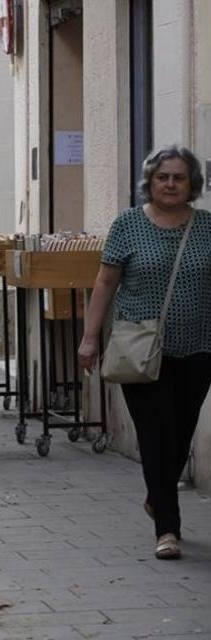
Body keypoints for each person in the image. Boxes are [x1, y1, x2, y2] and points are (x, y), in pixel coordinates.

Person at [78, 145, 211, 561]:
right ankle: (167, 529)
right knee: (156, 436)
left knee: (181, 434)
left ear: (192, 184)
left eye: (179, 177)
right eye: (162, 177)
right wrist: (89, 336)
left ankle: (158, 494)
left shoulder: (207, 227)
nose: (170, 184)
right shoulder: (129, 225)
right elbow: (104, 283)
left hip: (198, 347)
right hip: (139, 349)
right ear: (149, 182)